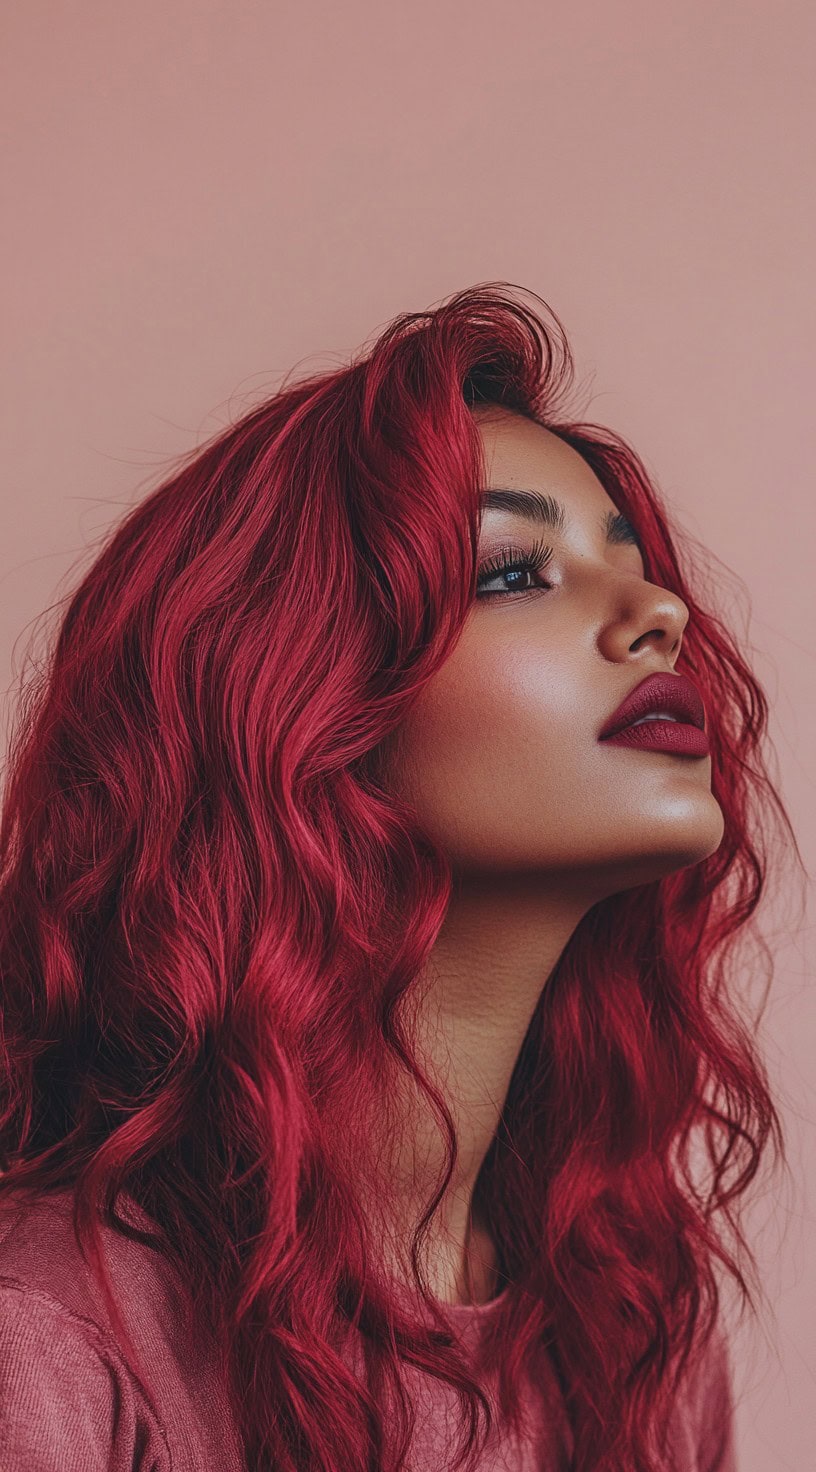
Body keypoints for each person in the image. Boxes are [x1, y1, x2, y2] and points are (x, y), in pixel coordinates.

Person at [0, 283, 796, 1470]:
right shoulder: (51, 1336)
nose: (660, 615)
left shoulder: (629, 1331)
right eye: (516, 573)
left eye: (634, 565)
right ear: (297, 705)